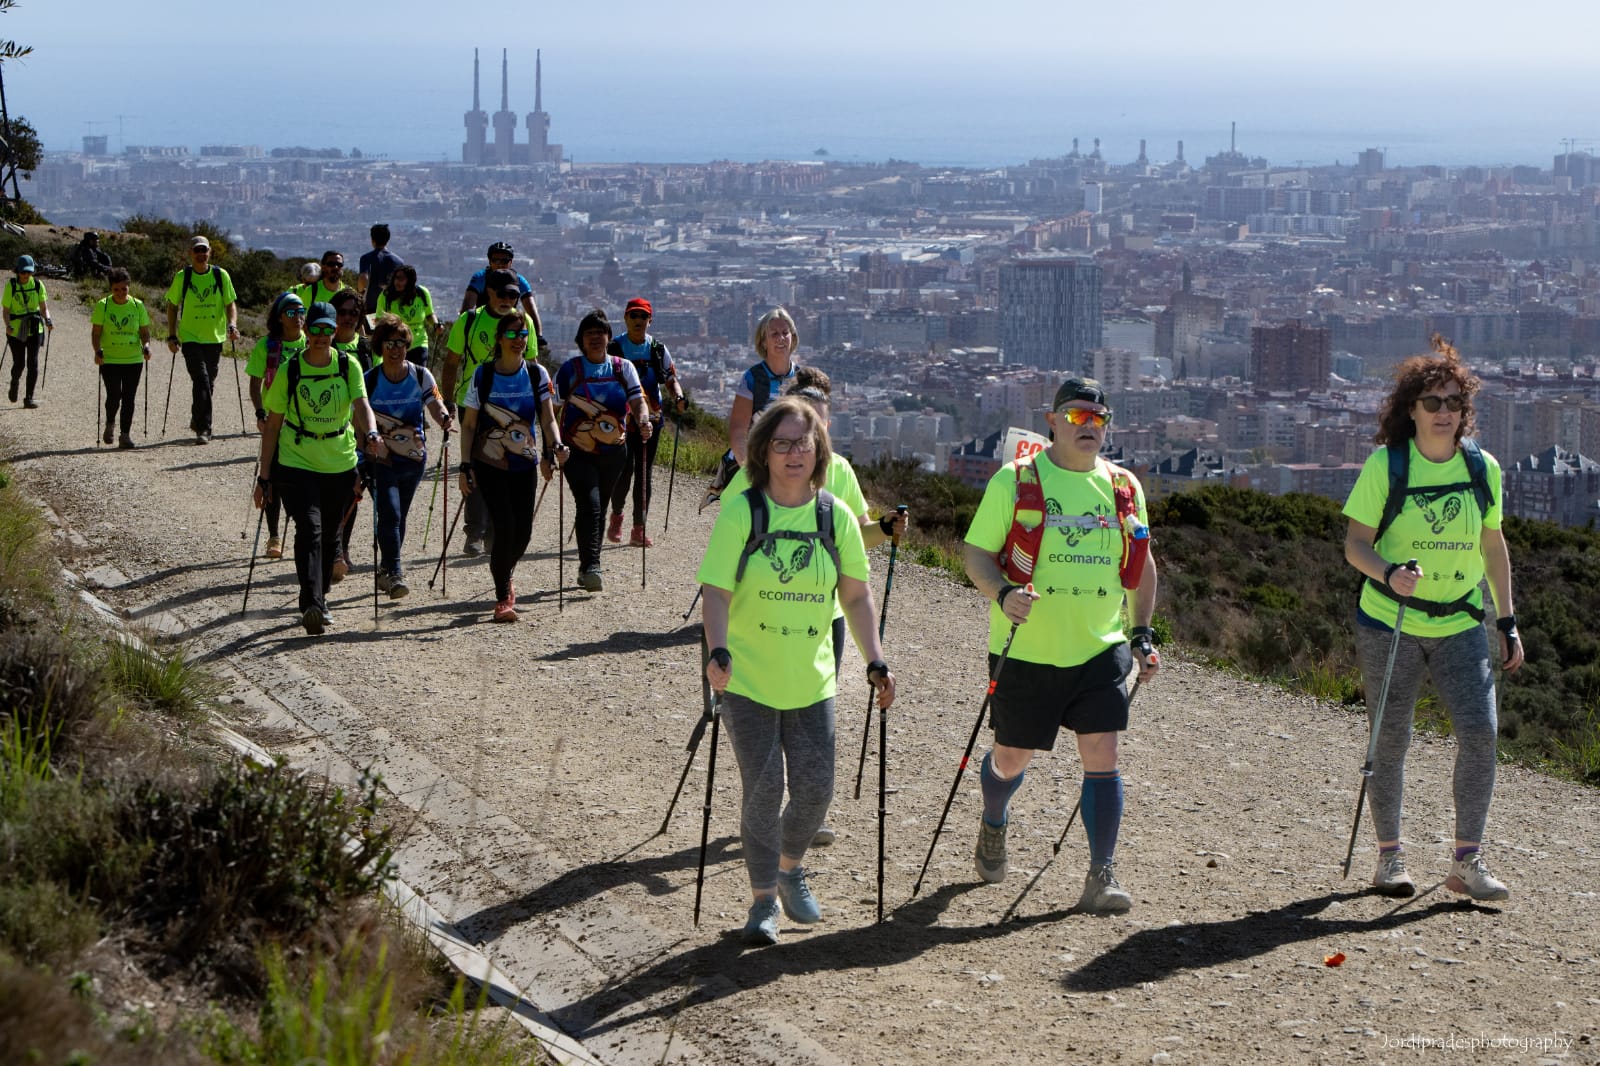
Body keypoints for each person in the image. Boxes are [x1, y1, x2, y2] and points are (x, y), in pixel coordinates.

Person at [698, 396, 896, 945]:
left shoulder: (836, 518)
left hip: (812, 679)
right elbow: (715, 591)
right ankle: (763, 900)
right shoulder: (744, 510)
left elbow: (856, 599)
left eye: (801, 444)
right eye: (781, 443)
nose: (792, 453)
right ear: (764, 451)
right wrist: (718, 653)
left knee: (815, 790)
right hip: (747, 677)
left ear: (818, 451)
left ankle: (789, 867)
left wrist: (874, 659)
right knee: (762, 791)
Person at [960, 376, 1159, 914]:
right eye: (1076, 416)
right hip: (1026, 649)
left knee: (1103, 754)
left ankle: (1101, 873)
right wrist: (1002, 595)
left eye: (1099, 418)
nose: (1089, 426)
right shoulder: (1015, 480)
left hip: (1100, 647)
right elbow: (976, 555)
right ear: (1052, 421)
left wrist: (1141, 634)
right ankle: (994, 818)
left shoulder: (1123, 487)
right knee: (1011, 757)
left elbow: (1143, 566)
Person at [1341, 342, 1522, 902]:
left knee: (1481, 734)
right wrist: (1389, 572)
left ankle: (1466, 862)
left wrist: (1508, 620)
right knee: (1390, 740)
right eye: (1431, 400)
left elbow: (1493, 545)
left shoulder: (1482, 469)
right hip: (1389, 623)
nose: (1443, 410)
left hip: (1462, 622)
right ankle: (1389, 859)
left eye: (1453, 400)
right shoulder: (1387, 465)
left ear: (1464, 410)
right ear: (1411, 409)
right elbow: (1354, 545)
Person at [721, 368, 911, 846]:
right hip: (761, 618)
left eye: (821, 421)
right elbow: (731, 528)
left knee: (811, 710)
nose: (813, 430)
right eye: (805, 420)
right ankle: (776, 811)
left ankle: (805, 808)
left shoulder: (841, 472)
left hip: (825, 614)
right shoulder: (755, 475)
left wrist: (883, 530)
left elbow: (853, 540)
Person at [252, 301, 387, 636]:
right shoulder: (291, 368)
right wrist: (264, 477)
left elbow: (362, 405)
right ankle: (312, 602)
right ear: (306, 330)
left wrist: (370, 432)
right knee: (309, 530)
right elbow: (272, 426)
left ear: (337, 331)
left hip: (340, 462)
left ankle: (319, 596)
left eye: (328, 329)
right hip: (296, 462)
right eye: (316, 329)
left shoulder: (348, 364)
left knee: (330, 536)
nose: (322, 336)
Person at [457, 314, 566, 621]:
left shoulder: (536, 373)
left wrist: (554, 447)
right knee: (504, 525)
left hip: (525, 463)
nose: (519, 339)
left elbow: (547, 419)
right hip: (489, 464)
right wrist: (466, 466)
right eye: (513, 333)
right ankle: (504, 595)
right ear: (500, 338)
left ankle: (504, 568)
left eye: (524, 334)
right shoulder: (484, 374)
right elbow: (468, 425)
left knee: (524, 533)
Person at [441, 268, 535, 558]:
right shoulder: (468, 320)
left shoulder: (524, 323)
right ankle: (475, 531)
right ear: (489, 293)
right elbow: (451, 362)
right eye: (503, 293)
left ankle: (496, 530)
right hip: (474, 403)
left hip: (511, 407)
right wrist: (446, 400)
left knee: (504, 465)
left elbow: (531, 365)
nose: (508, 299)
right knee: (477, 466)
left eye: (514, 295)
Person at [554, 309, 649, 592]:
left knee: (600, 506)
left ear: (609, 337)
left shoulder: (623, 368)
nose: (595, 338)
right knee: (590, 505)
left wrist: (643, 419)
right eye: (589, 333)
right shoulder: (569, 371)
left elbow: (637, 401)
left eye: (600, 333)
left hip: (614, 453)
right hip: (576, 451)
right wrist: (553, 446)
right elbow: (553, 411)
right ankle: (592, 566)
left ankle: (586, 567)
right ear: (581, 340)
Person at [365, 314, 455, 599]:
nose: (396, 348)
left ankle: (386, 567)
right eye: (390, 343)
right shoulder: (370, 379)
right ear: (381, 346)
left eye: (401, 342)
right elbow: (359, 416)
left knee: (399, 516)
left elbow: (434, 401)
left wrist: (443, 418)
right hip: (380, 459)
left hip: (414, 459)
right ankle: (395, 573)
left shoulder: (420, 374)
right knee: (389, 512)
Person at [606, 297, 687, 547]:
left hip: (651, 419)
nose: (638, 321)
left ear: (650, 320)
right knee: (624, 469)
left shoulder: (657, 349)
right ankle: (617, 516)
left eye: (643, 316)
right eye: (634, 316)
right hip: (621, 418)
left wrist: (679, 396)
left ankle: (638, 528)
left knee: (644, 472)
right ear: (625, 318)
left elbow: (670, 377)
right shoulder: (615, 347)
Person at [701, 307, 799, 510]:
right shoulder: (752, 378)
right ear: (763, 341)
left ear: (793, 337)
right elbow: (738, 429)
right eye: (774, 334)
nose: (781, 338)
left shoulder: (803, 378)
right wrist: (750, 468)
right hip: (755, 458)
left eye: (785, 332)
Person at [247, 291, 309, 559]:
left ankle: (301, 532)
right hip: (275, 420)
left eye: (301, 312)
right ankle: (273, 536)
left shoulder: (313, 344)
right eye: (292, 313)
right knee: (270, 476)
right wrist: (261, 413)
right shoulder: (268, 346)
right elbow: (254, 383)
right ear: (281, 317)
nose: (298, 318)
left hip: (304, 422)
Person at [164, 235, 239, 444]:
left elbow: (230, 304)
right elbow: (172, 305)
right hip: (190, 337)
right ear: (191, 253)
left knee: (208, 382)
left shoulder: (220, 275)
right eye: (197, 250)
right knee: (202, 379)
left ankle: (197, 418)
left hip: (214, 338)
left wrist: (232, 324)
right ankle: (205, 429)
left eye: (204, 250)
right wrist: (172, 335)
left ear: (209, 253)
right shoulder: (183, 277)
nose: (200, 254)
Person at [89, 267, 152, 448]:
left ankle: (125, 435)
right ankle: (110, 423)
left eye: (124, 289)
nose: (120, 293)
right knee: (114, 395)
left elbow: (145, 332)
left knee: (129, 397)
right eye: (116, 289)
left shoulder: (137, 305)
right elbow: (96, 332)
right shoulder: (103, 305)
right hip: (110, 359)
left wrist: (146, 346)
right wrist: (97, 350)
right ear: (111, 289)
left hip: (133, 359)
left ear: (129, 287)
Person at [460, 241, 545, 343]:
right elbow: (468, 305)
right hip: (483, 324)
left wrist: (538, 335)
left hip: (508, 327)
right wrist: (462, 330)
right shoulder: (480, 278)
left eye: (504, 261)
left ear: (511, 262)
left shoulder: (519, 281)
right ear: (489, 261)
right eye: (495, 260)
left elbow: (531, 309)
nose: (499, 264)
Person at [3, 254, 52, 409]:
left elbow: (44, 308)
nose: (25, 275)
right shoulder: (11, 285)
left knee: (33, 363)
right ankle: (15, 382)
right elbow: (6, 310)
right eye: (23, 272)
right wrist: (8, 325)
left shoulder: (38, 285)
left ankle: (29, 398)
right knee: (19, 364)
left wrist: (48, 320)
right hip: (16, 330)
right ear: (17, 271)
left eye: (29, 272)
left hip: (34, 328)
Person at [375, 265, 437, 369]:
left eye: (401, 279)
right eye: (396, 278)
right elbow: (378, 319)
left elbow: (429, 314)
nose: (397, 282)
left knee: (418, 374)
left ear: (410, 281)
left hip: (418, 342)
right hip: (395, 344)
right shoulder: (386, 296)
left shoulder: (422, 294)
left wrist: (436, 325)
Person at [357, 224, 403, 315]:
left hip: (371, 306)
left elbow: (363, 277)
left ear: (372, 240)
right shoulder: (398, 261)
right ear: (387, 240)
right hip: (392, 308)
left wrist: (360, 292)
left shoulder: (366, 258)